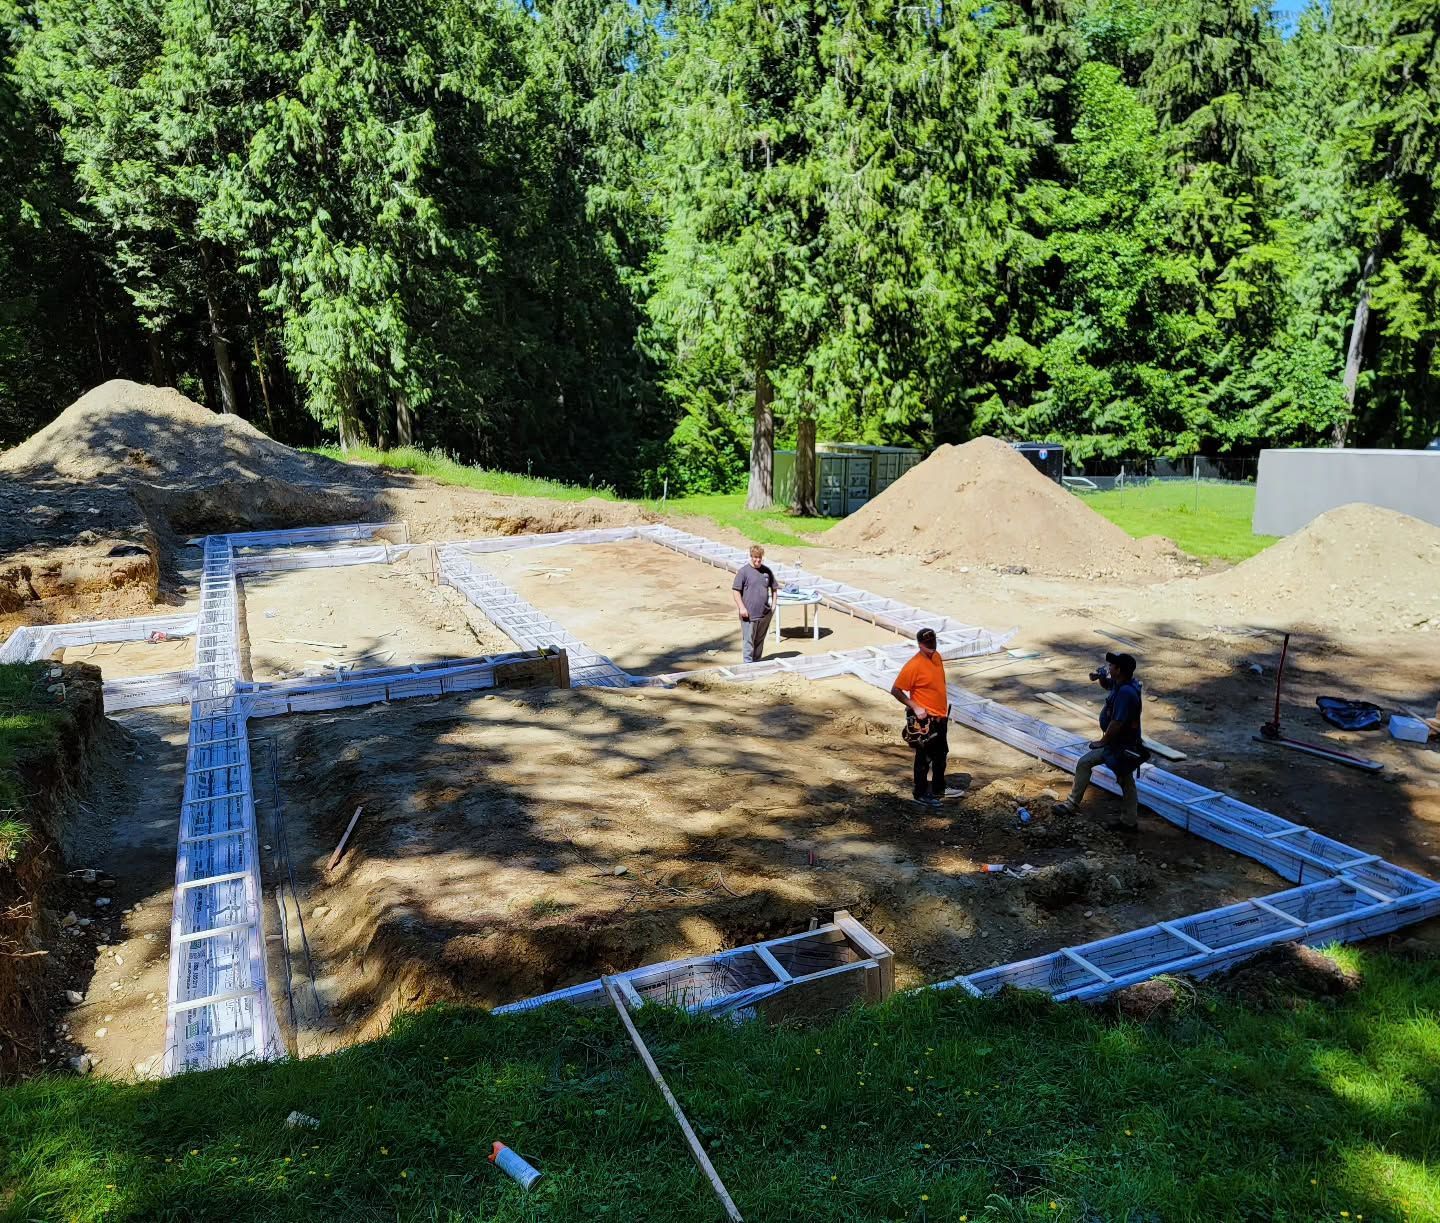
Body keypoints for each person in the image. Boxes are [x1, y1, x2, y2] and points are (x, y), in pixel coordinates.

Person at [1054, 651, 1145, 831]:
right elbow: (1108, 686)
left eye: (1112, 666)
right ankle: (1072, 804)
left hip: (1122, 745)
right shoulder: (1121, 684)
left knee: (1125, 780)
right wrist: (1101, 678)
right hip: (1115, 743)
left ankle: (1129, 822)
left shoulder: (1127, 693)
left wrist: (1102, 741)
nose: (1109, 667)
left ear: (1119, 670)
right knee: (1086, 764)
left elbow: (1117, 723)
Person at [890, 627, 959, 808]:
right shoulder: (914, 665)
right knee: (924, 757)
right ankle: (920, 792)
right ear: (920, 644)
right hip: (925, 720)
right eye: (927, 643)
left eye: (933, 642)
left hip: (940, 717)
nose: (931, 646)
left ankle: (938, 788)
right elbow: (896, 690)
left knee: (941, 754)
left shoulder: (937, 657)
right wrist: (915, 706)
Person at [731, 544, 777, 663]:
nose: (757, 560)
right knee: (748, 641)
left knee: (760, 640)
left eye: (759, 557)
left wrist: (773, 606)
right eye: (755, 557)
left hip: (764, 613)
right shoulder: (743, 572)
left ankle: (757, 663)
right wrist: (741, 608)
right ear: (751, 556)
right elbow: (736, 591)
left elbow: (774, 588)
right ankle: (748, 665)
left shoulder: (767, 572)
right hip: (748, 614)